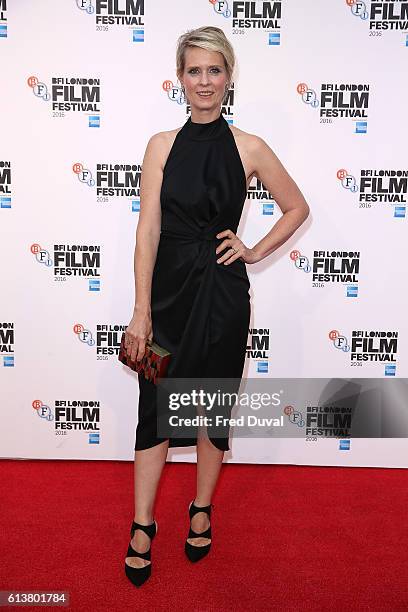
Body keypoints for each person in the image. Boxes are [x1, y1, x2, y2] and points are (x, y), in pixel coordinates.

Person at [123, 25, 310, 587]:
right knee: (154, 410)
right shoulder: (160, 145)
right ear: (179, 78)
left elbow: (297, 207)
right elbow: (148, 231)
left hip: (224, 294)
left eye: (215, 70)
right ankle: (142, 524)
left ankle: (201, 508)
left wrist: (253, 250)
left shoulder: (248, 146)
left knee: (212, 409)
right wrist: (140, 310)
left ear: (229, 78)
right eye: (194, 70)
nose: (204, 82)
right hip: (166, 294)